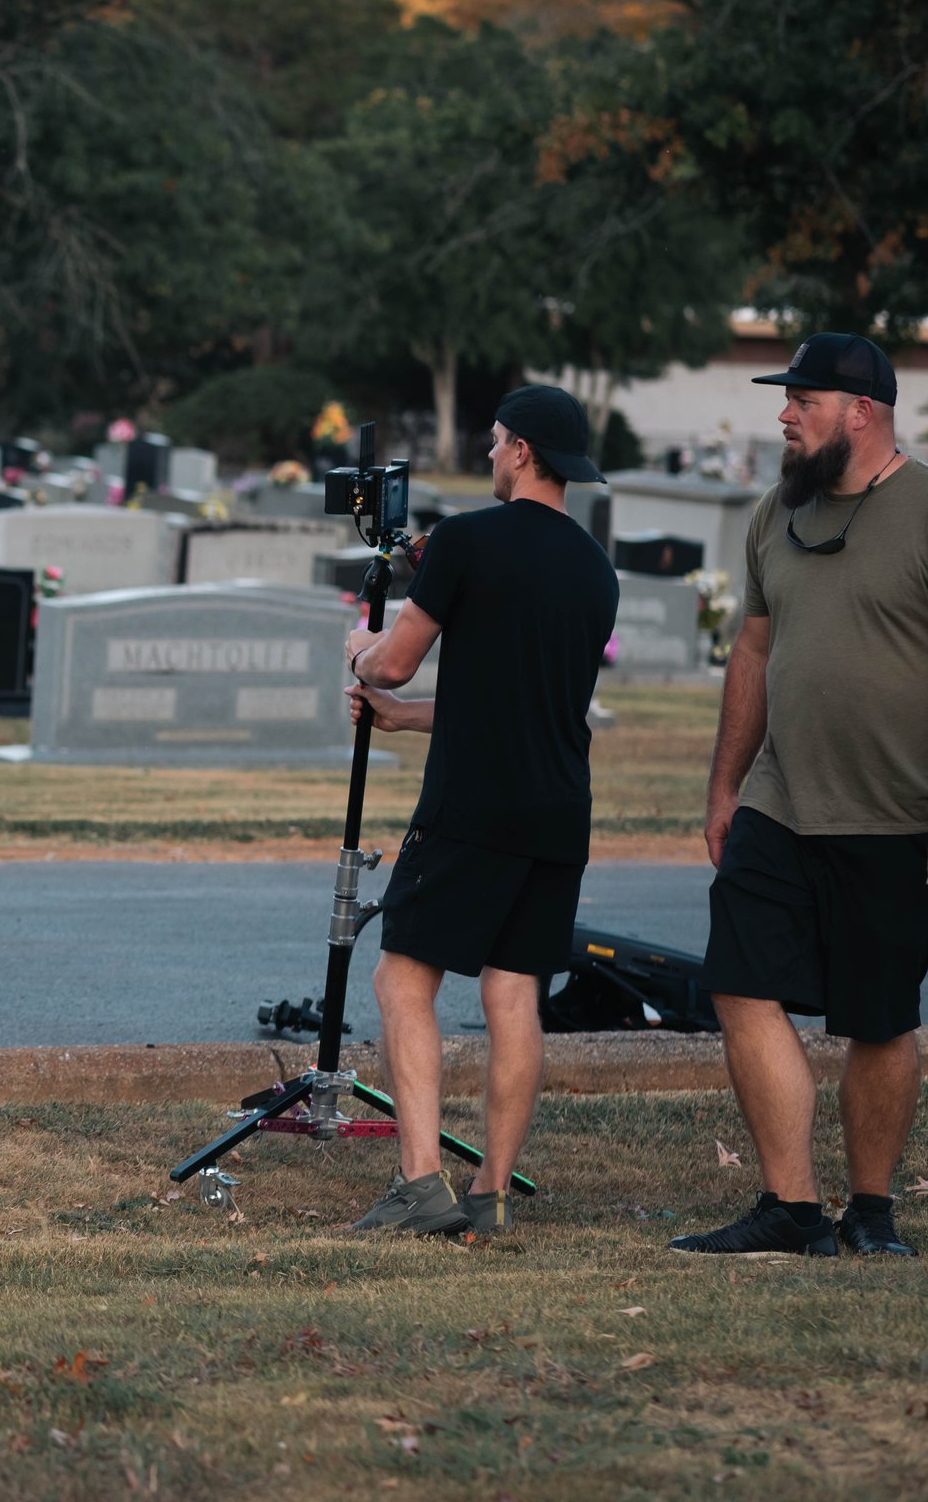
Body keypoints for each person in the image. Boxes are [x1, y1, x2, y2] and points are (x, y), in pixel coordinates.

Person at [671, 333, 925, 1259]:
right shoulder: (778, 512)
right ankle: (790, 1204)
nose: (783, 416)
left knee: (880, 1015)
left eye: (803, 401)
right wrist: (725, 785)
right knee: (738, 979)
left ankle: (870, 1209)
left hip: (899, 812)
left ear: (860, 412)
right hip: (780, 799)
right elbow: (753, 650)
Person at [344, 385, 618, 1236]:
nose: (492, 456)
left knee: (402, 978)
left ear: (525, 452)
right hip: (557, 810)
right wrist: (410, 717)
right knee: (513, 995)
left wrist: (362, 652)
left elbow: (392, 663)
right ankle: (493, 1193)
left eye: (498, 442)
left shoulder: (466, 540)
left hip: (470, 807)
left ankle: (422, 1180)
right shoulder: (595, 570)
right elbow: (527, 704)